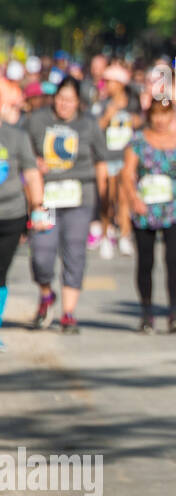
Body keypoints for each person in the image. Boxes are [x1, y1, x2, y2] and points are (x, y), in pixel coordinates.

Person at [27, 78, 108, 333]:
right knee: (42, 252)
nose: (64, 105)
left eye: (70, 100)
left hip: (78, 197)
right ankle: (46, 293)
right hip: (46, 197)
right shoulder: (37, 121)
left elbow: (101, 160)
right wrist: (33, 163)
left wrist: (104, 201)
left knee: (75, 253)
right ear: (54, 99)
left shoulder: (89, 124)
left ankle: (68, 313)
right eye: (61, 99)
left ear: (79, 103)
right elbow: (22, 151)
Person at [120, 98, 176, 333]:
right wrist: (133, 199)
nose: (160, 120)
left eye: (165, 114)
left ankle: (174, 312)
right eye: (156, 114)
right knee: (146, 261)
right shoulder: (138, 141)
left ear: (172, 116)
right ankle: (147, 312)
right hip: (145, 207)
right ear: (149, 116)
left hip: (174, 207)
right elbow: (127, 173)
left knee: (173, 258)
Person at [0, 95, 44, 349]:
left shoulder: (16, 137)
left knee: (1, 272)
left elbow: (32, 174)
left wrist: (38, 210)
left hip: (11, 215)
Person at [96, 63, 142, 258]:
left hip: (126, 157)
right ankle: (106, 235)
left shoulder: (133, 103)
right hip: (107, 157)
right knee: (107, 198)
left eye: (110, 81)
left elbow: (142, 124)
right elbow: (95, 128)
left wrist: (134, 119)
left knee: (124, 198)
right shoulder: (103, 104)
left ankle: (124, 235)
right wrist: (108, 115)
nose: (106, 85)